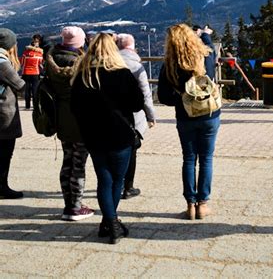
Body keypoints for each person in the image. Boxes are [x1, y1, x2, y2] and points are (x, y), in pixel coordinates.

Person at [71, 33, 144, 244]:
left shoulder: (83, 76)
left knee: (104, 179)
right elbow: (137, 104)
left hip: (93, 136)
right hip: (120, 135)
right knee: (118, 180)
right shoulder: (122, 74)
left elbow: (75, 108)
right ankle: (111, 223)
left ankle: (108, 222)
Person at [158, 24, 220, 220]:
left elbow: (164, 97)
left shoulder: (169, 64)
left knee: (189, 159)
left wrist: (182, 99)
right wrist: (206, 36)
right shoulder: (206, 57)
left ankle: (190, 205)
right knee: (207, 159)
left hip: (185, 117)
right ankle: (203, 204)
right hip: (209, 114)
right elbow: (211, 51)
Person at [45, 26, 94, 221]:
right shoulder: (81, 62)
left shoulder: (52, 59)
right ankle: (76, 207)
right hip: (81, 117)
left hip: (61, 116)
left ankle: (68, 204)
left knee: (67, 160)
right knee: (79, 163)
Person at [116, 33, 156, 199]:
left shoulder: (110, 62)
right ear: (132, 47)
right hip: (133, 115)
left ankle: (115, 184)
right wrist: (151, 116)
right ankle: (128, 187)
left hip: (112, 114)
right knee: (131, 150)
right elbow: (146, 93)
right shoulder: (136, 65)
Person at [0, 29, 25, 199]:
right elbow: (20, 84)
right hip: (3, 115)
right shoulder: (2, 63)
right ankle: (2, 187)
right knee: (4, 153)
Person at [20, 34, 43, 109]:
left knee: (27, 90)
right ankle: (35, 106)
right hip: (35, 73)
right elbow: (41, 64)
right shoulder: (39, 54)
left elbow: (22, 63)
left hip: (25, 73)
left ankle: (27, 106)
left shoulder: (25, 53)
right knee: (35, 90)